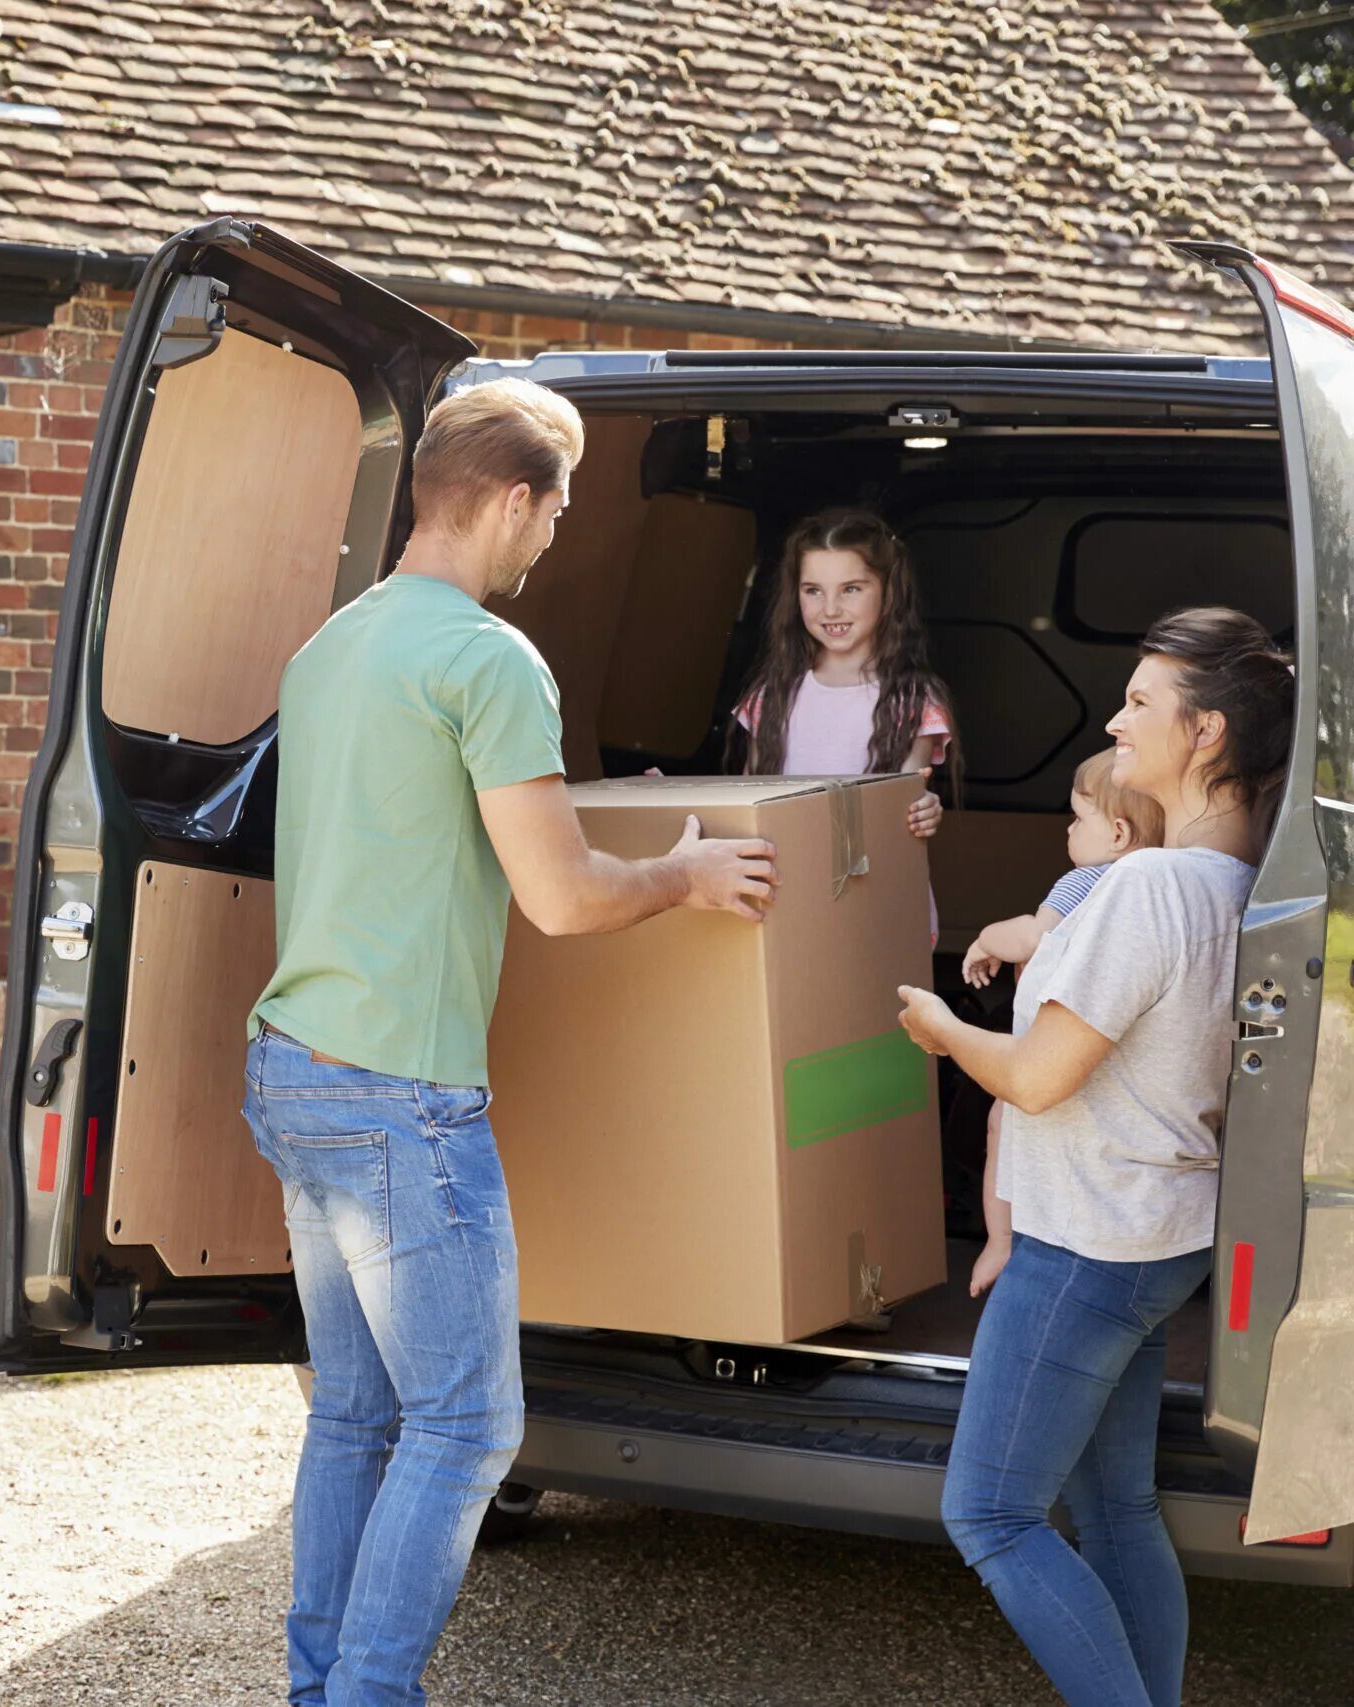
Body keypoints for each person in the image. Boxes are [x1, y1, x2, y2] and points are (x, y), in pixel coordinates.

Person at [244, 378, 778, 1707]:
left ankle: (323, 1687)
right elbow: (563, 894)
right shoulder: (488, 660)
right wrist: (685, 869)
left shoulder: (332, 647)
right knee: (470, 1425)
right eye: (558, 505)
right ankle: (365, 1693)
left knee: (360, 1415)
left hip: (295, 1069)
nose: (558, 532)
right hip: (399, 1098)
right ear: (505, 499)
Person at [895, 607, 1292, 1707]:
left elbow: (1033, 1077)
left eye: (1139, 703)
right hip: (1160, 1239)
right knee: (1114, 1507)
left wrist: (940, 1027)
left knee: (989, 1513)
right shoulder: (1237, 884)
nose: (1114, 719)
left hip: (1084, 1243)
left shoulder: (1148, 887)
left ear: (1204, 735)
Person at [957, 748, 1166, 1298]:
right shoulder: (1164, 881)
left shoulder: (1088, 881)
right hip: (1113, 1066)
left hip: (1051, 1046)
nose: (1069, 831)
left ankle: (1000, 1242)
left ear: (1117, 833)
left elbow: (1033, 935)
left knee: (1002, 1124)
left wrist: (984, 940)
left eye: (1078, 819)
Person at [734, 506, 953, 841]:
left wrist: (926, 809)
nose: (831, 609)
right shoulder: (771, 694)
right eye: (813, 590)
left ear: (888, 592)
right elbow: (748, 804)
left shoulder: (913, 700)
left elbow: (905, 804)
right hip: (791, 880)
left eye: (850, 588)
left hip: (875, 882)